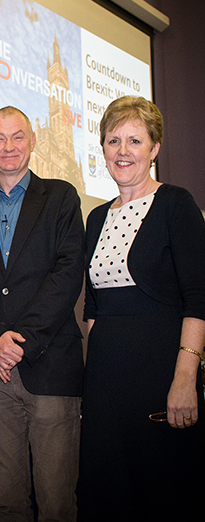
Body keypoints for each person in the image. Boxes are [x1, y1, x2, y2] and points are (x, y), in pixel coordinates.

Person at [78, 96, 205, 521]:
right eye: (113, 140)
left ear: (154, 149)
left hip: (160, 375)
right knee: (108, 493)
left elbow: (198, 298)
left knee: (161, 492)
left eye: (135, 140)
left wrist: (185, 378)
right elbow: (92, 309)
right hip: (105, 383)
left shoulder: (176, 204)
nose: (123, 151)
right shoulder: (96, 218)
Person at [0, 106, 85, 522]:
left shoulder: (62, 197)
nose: (8, 146)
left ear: (32, 142)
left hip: (50, 369)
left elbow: (67, 275)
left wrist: (20, 343)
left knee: (56, 504)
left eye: (18, 136)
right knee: (7, 505)